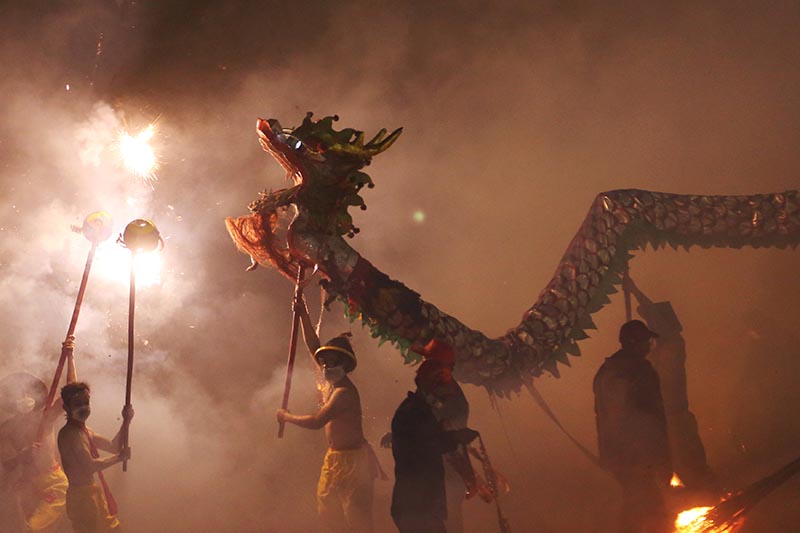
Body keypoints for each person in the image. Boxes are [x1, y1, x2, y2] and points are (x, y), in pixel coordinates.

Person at [276, 298, 381, 533]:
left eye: (332, 362)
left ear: (344, 364)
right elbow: (314, 346)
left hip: (355, 462)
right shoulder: (329, 381)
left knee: (358, 521)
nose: (325, 366)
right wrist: (303, 313)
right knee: (328, 515)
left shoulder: (344, 392)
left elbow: (317, 421)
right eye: (324, 363)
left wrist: (287, 416)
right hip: (333, 459)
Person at [623, 277, 716, 491]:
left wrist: (636, 291)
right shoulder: (654, 352)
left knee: (693, 465)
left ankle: (711, 497)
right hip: (661, 422)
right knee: (665, 470)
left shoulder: (674, 345)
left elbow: (655, 317)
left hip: (676, 418)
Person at [594, 319, 672, 533]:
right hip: (640, 455)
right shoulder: (641, 371)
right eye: (646, 341)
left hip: (615, 455)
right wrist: (664, 459)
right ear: (635, 343)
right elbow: (654, 417)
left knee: (634, 503)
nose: (649, 345)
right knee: (652, 509)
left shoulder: (605, 371)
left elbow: (601, 416)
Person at [390, 357, 480, 533]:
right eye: (437, 384)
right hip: (416, 503)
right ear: (423, 384)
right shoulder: (413, 412)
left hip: (423, 502)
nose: (444, 392)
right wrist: (455, 438)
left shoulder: (420, 410)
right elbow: (424, 448)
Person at [0, 337, 79, 532]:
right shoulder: (7, 428)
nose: (23, 398)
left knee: (31, 526)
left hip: (50, 482)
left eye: (27, 393)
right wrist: (22, 456)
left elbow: (73, 393)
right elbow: (5, 462)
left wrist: (70, 357)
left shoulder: (45, 417)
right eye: (17, 394)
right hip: (23, 483)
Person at [57, 382, 132, 533]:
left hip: (92, 492)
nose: (83, 407)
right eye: (78, 403)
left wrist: (126, 421)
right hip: (81, 497)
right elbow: (89, 467)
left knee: (113, 529)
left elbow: (113, 446)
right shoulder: (70, 434)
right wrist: (118, 458)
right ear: (66, 407)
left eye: (86, 402)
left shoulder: (85, 431)